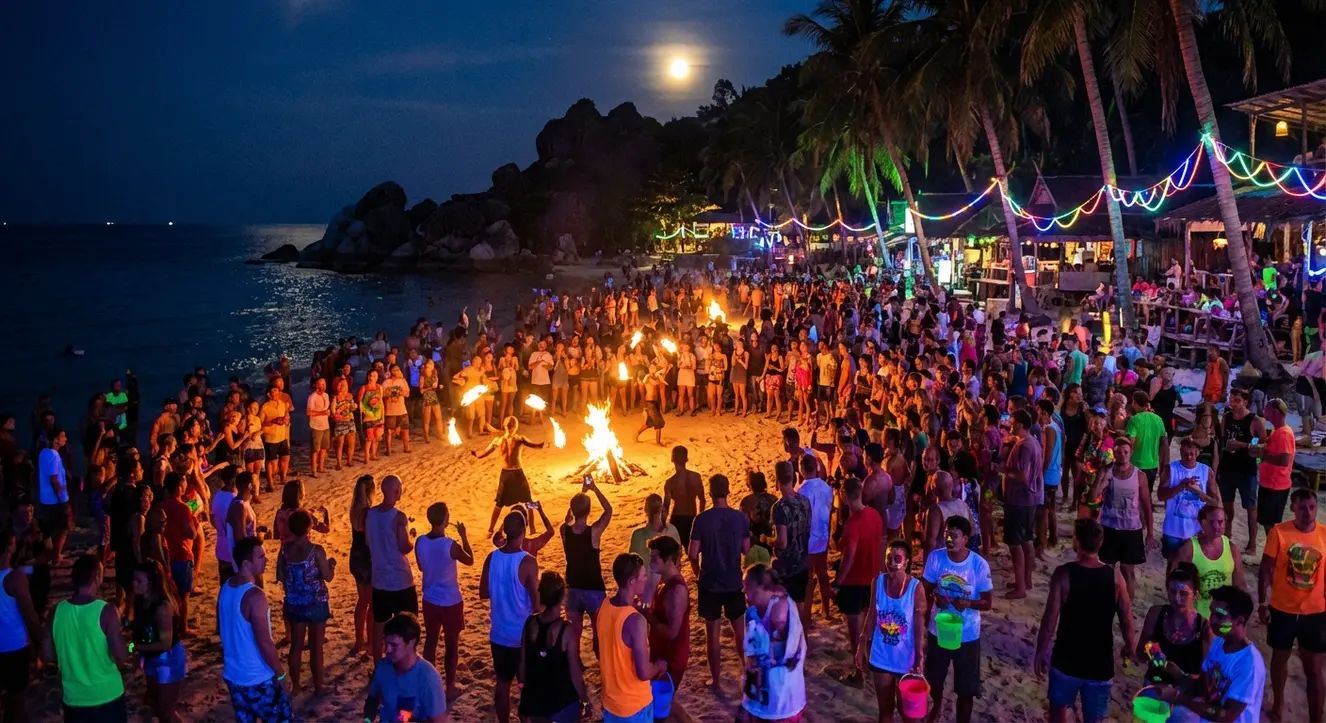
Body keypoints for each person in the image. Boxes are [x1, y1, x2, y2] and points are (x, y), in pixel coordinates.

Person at [1035, 519, 1137, 723]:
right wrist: (1129, 646)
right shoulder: (1115, 577)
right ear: (1100, 543)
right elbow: (1126, 618)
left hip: (1066, 659)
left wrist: (1041, 651)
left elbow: (1050, 620)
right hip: (1100, 662)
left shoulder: (1063, 574)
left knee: (1059, 714)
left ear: (1076, 542)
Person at [1260, 488, 1326, 721]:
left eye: (1312, 507)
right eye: (1302, 508)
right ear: (1293, 508)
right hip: (1282, 610)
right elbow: (1265, 570)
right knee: (1279, 659)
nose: (1308, 512)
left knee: (1314, 670)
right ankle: (1278, 704)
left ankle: (1316, 718)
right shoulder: (1279, 532)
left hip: (1316, 612)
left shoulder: (1324, 534)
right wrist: (1263, 602)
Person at [1153, 586, 1265, 723]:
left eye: (1220, 615)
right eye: (1212, 613)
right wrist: (1177, 674)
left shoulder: (1249, 664)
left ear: (1240, 621)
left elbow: (1225, 716)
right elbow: (1202, 687)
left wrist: (1179, 698)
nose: (1212, 620)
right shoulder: (1219, 642)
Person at [921, 516, 992, 723]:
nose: (949, 539)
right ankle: (936, 706)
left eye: (954, 535)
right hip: (938, 629)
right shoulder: (936, 558)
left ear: (966, 539)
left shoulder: (978, 565)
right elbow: (924, 588)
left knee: (966, 689)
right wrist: (935, 595)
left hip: (967, 634)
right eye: (946, 534)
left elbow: (987, 603)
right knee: (933, 678)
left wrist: (968, 603)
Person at [43, 555, 128, 722]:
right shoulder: (107, 611)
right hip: (107, 695)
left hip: (74, 699)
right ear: (96, 576)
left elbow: (47, 655)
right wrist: (131, 645)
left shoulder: (56, 612)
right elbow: (121, 656)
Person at [688, 474, 751, 686]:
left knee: (712, 634)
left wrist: (697, 573)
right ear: (728, 491)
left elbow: (692, 553)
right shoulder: (740, 518)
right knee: (740, 631)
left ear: (710, 493)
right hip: (734, 580)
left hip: (710, 582)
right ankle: (746, 668)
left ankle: (715, 678)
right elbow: (746, 549)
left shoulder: (701, 520)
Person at [218, 537, 290, 723]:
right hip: (257, 677)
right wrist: (280, 674)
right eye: (261, 557)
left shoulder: (226, 586)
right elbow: (264, 642)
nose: (266, 560)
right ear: (246, 564)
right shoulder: (255, 596)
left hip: (234, 675)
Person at [480, 511, 541, 723]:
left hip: (499, 633)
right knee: (526, 685)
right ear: (524, 530)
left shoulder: (491, 558)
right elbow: (536, 605)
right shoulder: (528, 561)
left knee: (503, 683)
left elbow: (483, 592)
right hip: (522, 636)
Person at [857, 541, 925, 723]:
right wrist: (862, 643)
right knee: (885, 710)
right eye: (889, 558)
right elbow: (872, 614)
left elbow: (919, 625)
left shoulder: (916, 588)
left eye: (898, 558)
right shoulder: (878, 582)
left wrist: (919, 655)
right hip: (881, 655)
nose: (892, 562)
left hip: (906, 658)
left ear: (907, 561)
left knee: (907, 712)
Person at [597, 553, 665, 723]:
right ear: (632, 582)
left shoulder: (604, 606)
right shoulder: (635, 621)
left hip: (611, 704)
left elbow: (599, 648)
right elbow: (643, 672)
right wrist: (658, 666)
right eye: (643, 576)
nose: (646, 580)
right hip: (634, 706)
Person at [415, 502, 473, 699]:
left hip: (430, 599)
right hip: (450, 601)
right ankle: (450, 686)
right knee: (451, 644)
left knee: (431, 640)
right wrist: (464, 536)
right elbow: (470, 560)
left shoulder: (421, 541)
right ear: (445, 520)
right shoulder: (450, 545)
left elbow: (421, 567)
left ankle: (429, 684)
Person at [518, 571, 591, 723]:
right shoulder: (566, 630)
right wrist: (585, 700)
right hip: (560, 704)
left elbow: (522, 664)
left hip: (534, 703)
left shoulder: (530, 623)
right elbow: (575, 673)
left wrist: (523, 689)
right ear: (562, 597)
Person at [276, 509, 333, 694]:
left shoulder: (285, 551)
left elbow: (280, 575)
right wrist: (331, 565)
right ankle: (319, 686)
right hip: (316, 602)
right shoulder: (316, 550)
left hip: (294, 603)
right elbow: (327, 576)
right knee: (316, 647)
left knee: (296, 645)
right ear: (309, 527)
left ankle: (296, 686)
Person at [740, 564, 807, 722]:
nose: (743, 591)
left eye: (747, 586)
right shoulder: (768, 603)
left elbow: (768, 653)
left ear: (761, 587)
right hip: (771, 690)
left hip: (779, 695)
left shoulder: (778, 614)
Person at [1092, 436, 1154, 602]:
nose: (1122, 455)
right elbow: (1093, 497)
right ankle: (1107, 601)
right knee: (1107, 569)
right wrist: (1100, 476)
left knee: (1127, 570)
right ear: (1114, 453)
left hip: (1131, 528)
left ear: (1131, 453)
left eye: (1125, 452)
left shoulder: (1139, 475)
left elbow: (1147, 505)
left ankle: (1127, 605)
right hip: (1109, 527)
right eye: (1118, 452)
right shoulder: (1108, 472)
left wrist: (1150, 532)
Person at [835, 476, 883, 685]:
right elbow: (881, 542)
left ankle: (858, 673)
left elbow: (848, 558)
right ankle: (871, 664)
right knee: (869, 628)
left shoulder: (852, 525)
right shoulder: (874, 515)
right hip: (872, 579)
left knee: (855, 633)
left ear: (845, 496)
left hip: (854, 582)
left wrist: (838, 581)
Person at [367, 475, 417, 661]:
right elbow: (404, 547)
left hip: (379, 579)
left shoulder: (370, 514)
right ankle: (405, 662)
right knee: (407, 626)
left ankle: (378, 664)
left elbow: (368, 541)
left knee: (379, 624)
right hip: (400, 580)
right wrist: (412, 538)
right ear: (397, 492)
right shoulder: (398, 517)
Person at [1135, 564, 1211, 688]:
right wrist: (1150, 651)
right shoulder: (1156, 614)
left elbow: (1207, 679)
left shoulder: (1205, 628)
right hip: (1154, 688)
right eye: (1173, 591)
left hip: (1185, 695)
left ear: (1195, 595)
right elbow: (1140, 656)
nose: (1177, 599)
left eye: (1183, 594)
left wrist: (1179, 675)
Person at [364, 613, 449, 722]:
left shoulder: (429, 678)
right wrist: (367, 720)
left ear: (411, 642)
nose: (387, 651)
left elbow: (439, 721)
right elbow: (372, 699)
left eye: (394, 645)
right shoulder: (383, 667)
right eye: (386, 643)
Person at [561, 478, 613, 656]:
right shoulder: (594, 532)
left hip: (573, 586)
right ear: (589, 511)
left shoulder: (564, 530)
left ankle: (575, 665)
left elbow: (567, 521)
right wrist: (594, 488)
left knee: (574, 634)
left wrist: (575, 505)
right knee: (599, 632)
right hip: (593, 587)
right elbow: (608, 510)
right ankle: (602, 663)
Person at [131, 561, 187, 722]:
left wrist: (136, 647)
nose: (134, 583)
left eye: (139, 581)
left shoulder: (162, 608)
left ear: (151, 583)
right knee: (154, 701)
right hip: (151, 656)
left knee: (166, 709)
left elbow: (165, 644)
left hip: (168, 659)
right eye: (134, 579)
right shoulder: (140, 601)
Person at [475, 417, 544, 536]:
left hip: (505, 474)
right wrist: (543, 445)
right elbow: (535, 446)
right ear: (516, 427)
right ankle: (532, 528)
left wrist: (476, 455)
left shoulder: (498, 440)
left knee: (499, 503)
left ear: (504, 426)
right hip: (517, 473)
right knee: (528, 501)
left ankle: (490, 529)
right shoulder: (520, 438)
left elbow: (484, 453)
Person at [1175, 505, 1246, 619]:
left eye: (1220, 522)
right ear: (1202, 523)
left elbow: (1239, 584)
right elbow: (1175, 581)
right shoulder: (1189, 549)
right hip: (1196, 616)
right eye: (1212, 522)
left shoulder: (1232, 549)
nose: (1216, 526)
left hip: (1223, 616)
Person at [0, 528, 42, 723]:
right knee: (16, 702)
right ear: (9, 546)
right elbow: (30, 616)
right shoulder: (14, 578)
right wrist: (40, 641)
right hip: (14, 647)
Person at [1001, 410, 1043, 600]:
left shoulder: (1025, 445)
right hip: (1029, 499)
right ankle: (1026, 580)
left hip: (1020, 500)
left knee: (1015, 543)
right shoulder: (1032, 441)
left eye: (1012, 421)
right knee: (1026, 539)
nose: (1010, 424)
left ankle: (1020, 587)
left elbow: (1022, 476)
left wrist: (1003, 470)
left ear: (1019, 424)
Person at [1158, 437, 1220, 562]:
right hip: (1173, 529)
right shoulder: (1170, 469)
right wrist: (1180, 486)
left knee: (1193, 566)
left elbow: (1215, 502)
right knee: (1172, 564)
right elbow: (1160, 496)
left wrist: (1198, 492)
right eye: (1185, 454)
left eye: (1192, 453)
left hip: (1196, 530)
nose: (1189, 457)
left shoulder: (1206, 471)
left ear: (1198, 452)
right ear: (1180, 452)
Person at [641, 535, 691, 688]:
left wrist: (648, 616)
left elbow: (672, 632)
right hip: (661, 654)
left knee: (662, 699)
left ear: (668, 560)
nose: (650, 562)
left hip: (670, 660)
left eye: (655, 558)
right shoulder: (665, 582)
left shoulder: (676, 590)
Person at [1218, 389, 1261, 555]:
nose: (1233, 404)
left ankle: (1252, 542)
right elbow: (1222, 439)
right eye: (1231, 400)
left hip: (1246, 469)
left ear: (1245, 402)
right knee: (1227, 503)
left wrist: (1245, 445)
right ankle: (1227, 534)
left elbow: (1261, 441)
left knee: (1250, 506)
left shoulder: (1254, 420)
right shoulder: (1227, 417)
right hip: (1228, 467)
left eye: (1237, 400)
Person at [772, 460, 813, 627]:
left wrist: (768, 540)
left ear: (777, 480)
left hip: (787, 565)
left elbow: (782, 542)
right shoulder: (804, 501)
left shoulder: (780, 507)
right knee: (799, 604)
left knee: (787, 609)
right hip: (803, 560)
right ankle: (804, 639)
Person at [159, 473, 200, 636]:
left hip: (165, 555)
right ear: (179, 486)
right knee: (184, 595)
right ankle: (183, 627)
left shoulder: (160, 506)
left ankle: (169, 626)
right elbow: (191, 534)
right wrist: (195, 523)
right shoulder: (184, 508)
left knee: (167, 594)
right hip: (182, 554)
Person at [797, 454, 836, 622]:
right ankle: (826, 611)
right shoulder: (827, 488)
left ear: (802, 469)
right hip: (823, 536)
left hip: (808, 541)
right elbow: (829, 511)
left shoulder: (801, 491)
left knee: (808, 579)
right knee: (823, 574)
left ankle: (807, 616)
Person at [1254, 398, 1296, 541]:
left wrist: (1262, 455)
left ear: (1275, 413)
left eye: (1267, 409)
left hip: (1276, 485)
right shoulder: (1276, 431)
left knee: (1270, 525)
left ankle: (1275, 550)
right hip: (1269, 483)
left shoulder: (1284, 434)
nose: (1264, 411)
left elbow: (1284, 460)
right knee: (1266, 522)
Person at [626, 495, 679, 607]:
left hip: (648, 587)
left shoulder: (638, 535)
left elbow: (632, 565)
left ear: (645, 509)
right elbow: (678, 560)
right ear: (662, 509)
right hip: (664, 585)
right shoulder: (671, 530)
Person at [662, 445, 705, 574]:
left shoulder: (670, 482)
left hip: (677, 519)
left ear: (672, 459)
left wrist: (662, 524)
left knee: (674, 556)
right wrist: (700, 518)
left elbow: (666, 506)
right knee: (694, 556)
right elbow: (702, 500)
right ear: (686, 459)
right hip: (692, 517)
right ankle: (699, 577)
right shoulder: (696, 477)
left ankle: (675, 581)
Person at [35, 427, 71, 564]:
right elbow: (54, 480)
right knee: (64, 527)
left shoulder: (43, 452)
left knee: (49, 528)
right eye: (63, 436)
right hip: (56, 499)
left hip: (46, 499)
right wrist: (63, 501)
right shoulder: (53, 455)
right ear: (56, 440)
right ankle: (56, 556)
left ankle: (52, 555)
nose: (65, 439)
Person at [350, 475, 376, 656]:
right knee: (372, 602)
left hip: (355, 556)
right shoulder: (368, 512)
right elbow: (369, 539)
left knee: (362, 601)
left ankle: (359, 640)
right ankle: (370, 642)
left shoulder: (354, 509)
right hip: (367, 557)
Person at [1125, 390, 1169, 495]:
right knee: (1147, 495)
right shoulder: (1158, 419)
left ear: (1135, 402)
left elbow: (1130, 443)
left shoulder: (1134, 420)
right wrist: (1163, 464)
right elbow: (1164, 444)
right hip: (1153, 465)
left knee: (1134, 495)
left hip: (1136, 464)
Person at [259, 384, 293, 490]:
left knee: (285, 457)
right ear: (269, 394)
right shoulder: (265, 407)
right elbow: (260, 424)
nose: (276, 393)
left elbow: (285, 416)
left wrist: (286, 420)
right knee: (271, 462)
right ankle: (270, 483)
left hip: (282, 436)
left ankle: (283, 477)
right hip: (271, 438)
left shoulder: (282, 404)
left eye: (277, 391)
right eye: (274, 391)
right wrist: (271, 422)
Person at [305, 377, 331, 477]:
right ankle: (314, 470)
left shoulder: (326, 395)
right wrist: (322, 413)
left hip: (325, 425)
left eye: (324, 384)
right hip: (316, 426)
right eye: (320, 384)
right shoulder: (312, 397)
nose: (322, 386)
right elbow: (309, 412)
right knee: (316, 449)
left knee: (324, 448)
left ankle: (321, 467)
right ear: (316, 385)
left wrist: (327, 413)